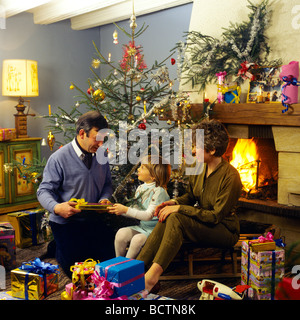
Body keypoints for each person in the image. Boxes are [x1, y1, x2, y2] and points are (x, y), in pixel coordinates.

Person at [136, 119, 242, 293]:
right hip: (204, 222)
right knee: (168, 213)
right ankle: (136, 269)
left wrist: (179, 208)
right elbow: (192, 196)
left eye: (196, 146)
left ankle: (151, 278)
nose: (192, 150)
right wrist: (174, 202)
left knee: (176, 217)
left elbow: (215, 216)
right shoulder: (198, 166)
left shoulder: (231, 176)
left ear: (212, 150)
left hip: (224, 229)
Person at [37, 110, 114, 277]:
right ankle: (58, 247)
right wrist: (57, 208)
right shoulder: (58, 158)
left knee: (107, 267)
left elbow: (107, 184)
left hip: (94, 220)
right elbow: (43, 191)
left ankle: (56, 246)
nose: (101, 144)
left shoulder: (102, 155)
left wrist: (104, 198)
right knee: (78, 273)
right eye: (97, 139)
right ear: (81, 133)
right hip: (66, 223)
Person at [109, 155, 171, 259]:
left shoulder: (159, 191)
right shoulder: (140, 188)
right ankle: (118, 262)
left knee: (137, 240)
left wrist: (125, 210)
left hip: (156, 230)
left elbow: (148, 216)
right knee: (121, 234)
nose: (138, 169)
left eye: (142, 167)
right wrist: (120, 211)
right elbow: (136, 212)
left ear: (153, 176)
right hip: (143, 227)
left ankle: (126, 267)